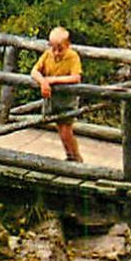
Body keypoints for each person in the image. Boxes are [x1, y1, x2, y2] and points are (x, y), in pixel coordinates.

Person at [31, 26, 84, 163]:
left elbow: (75, 77)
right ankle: (70, 156)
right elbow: (34, 71)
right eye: (53, 48)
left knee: (66, 129)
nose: (55, 53)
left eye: (59, 49)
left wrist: (54, 80)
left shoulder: (73, 56)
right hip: (53, 98)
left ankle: (75, 157)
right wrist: (43, 82)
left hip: (67, 99)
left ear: (68, 45)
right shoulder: (48, 54)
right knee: (60, 129)